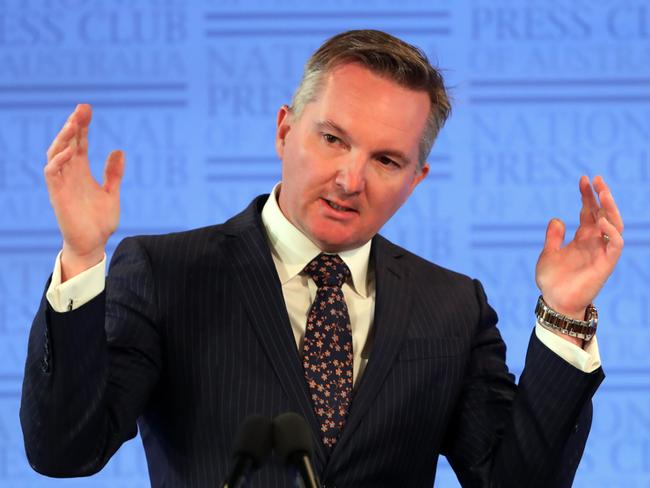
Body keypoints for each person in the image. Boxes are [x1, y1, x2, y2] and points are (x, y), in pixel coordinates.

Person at [20, 30, 623, 487]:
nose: (350, 179)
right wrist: (81, 255)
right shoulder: (165, 272)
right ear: (285, 130)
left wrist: (564, 315)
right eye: (332, 139)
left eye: (387, 160)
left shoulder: (453, 307)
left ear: (417, 178)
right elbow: (65, 451)